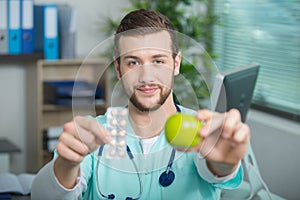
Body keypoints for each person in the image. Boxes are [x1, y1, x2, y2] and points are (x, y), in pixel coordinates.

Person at [31, 9, 250, 200]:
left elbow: (216, 168)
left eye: (158, 61)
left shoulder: (203, 132)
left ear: (176, 64)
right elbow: (44, 196)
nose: (146, 76)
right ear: (118, 69)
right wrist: (67, 165)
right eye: (133, 62)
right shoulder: (92, 133)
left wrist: (224, 164)